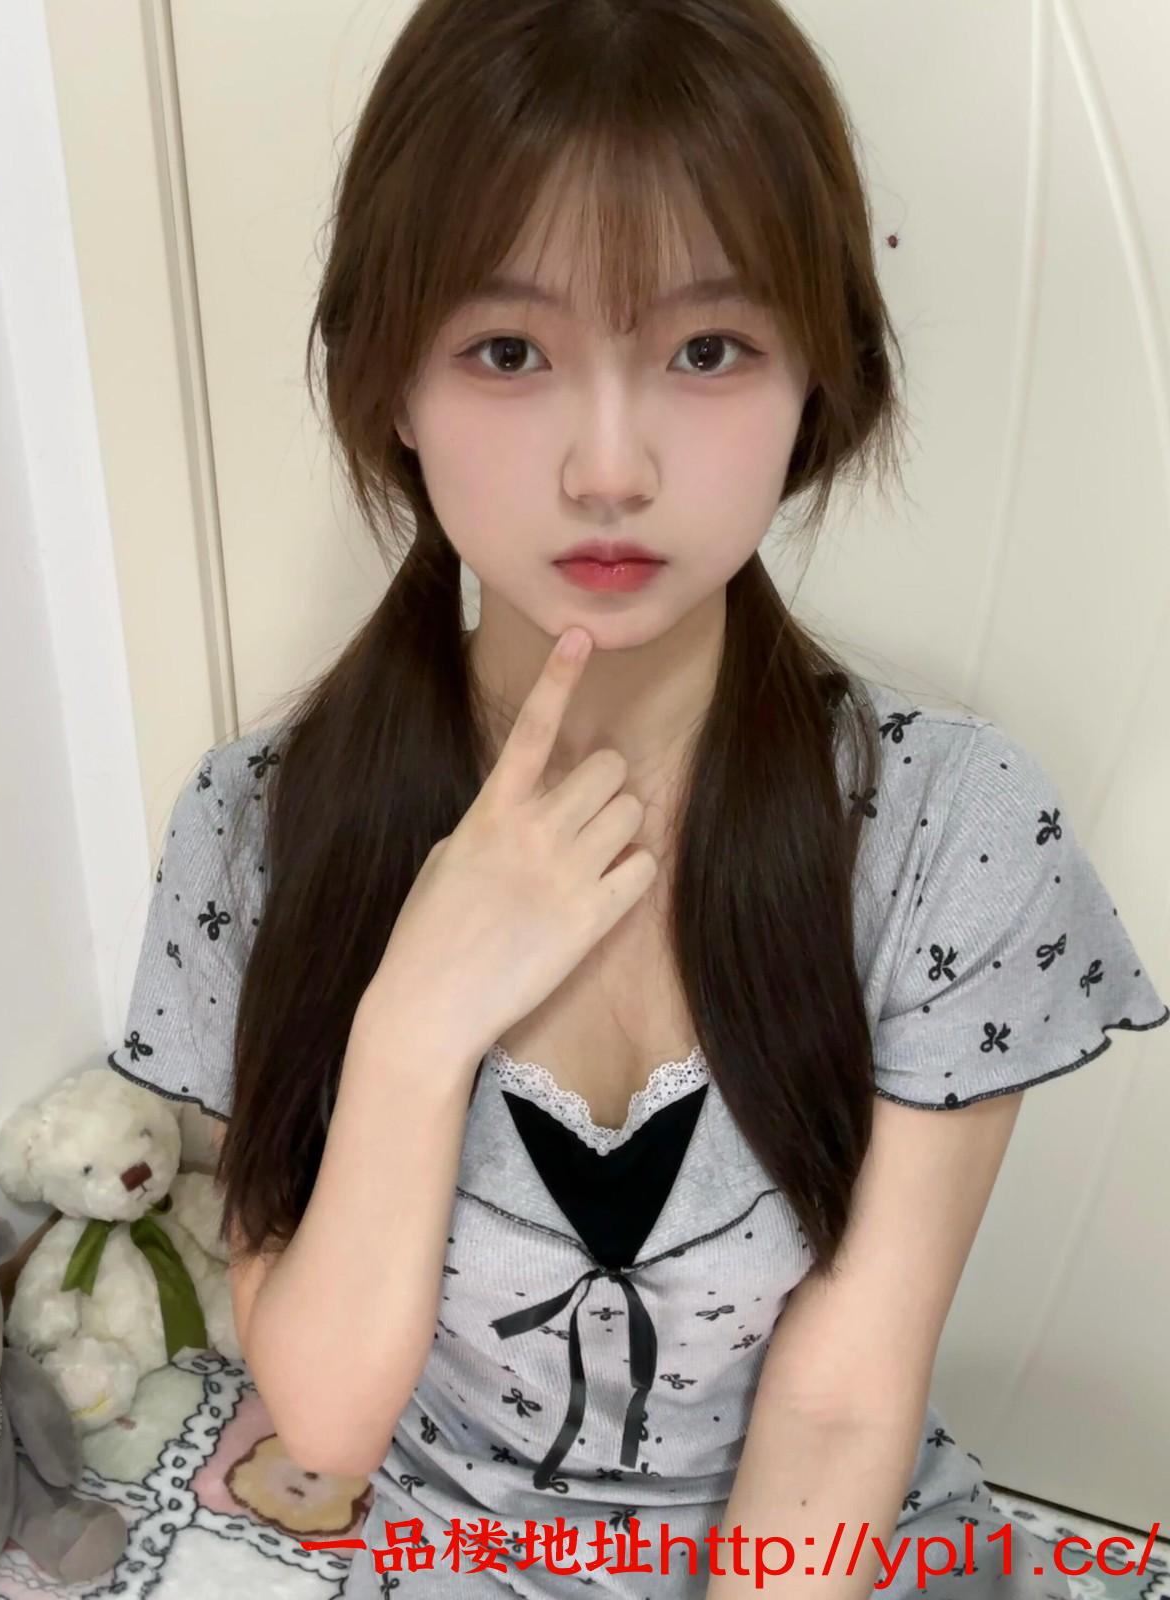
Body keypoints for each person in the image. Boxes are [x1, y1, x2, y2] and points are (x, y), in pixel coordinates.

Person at [106, 0, 1169, 1595]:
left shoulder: (952, 834)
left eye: (706, 349)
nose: (611, 468)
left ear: (820, 378)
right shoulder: (259, 827)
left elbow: (840, 1406)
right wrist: (415, 1019)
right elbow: (320, 1422)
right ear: (393, 385)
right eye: (509, 351)